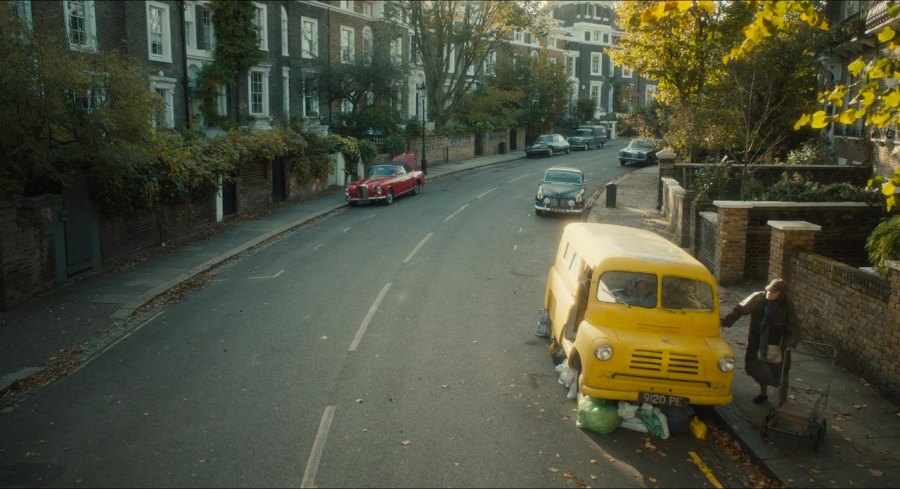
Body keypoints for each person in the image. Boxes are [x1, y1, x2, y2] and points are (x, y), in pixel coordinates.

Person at [721, 278, 797, 406]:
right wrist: (727, 321)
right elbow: (740, 309)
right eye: (768, 290)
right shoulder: (758, 297)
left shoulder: (787, 305)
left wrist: (790, 342)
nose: (769, 294)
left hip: (777, 343)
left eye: (773, 292)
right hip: (758, 340)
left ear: (781, 293)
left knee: (779, 373)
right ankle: (763, 393)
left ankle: (783, 401)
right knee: (759, 369)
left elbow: (793, 325)